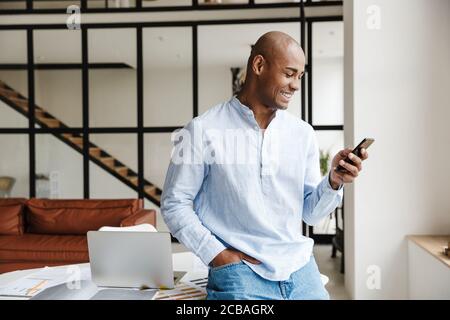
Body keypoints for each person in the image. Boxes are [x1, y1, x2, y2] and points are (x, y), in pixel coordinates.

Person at [161, 31, 369, 300]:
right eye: (289, 73)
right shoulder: (203, 130)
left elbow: (311, 214)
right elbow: (174, 203)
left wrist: (334, 182)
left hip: (301, 270)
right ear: (258, 66)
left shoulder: (302, 133)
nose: (295, 85)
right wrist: (218, 255)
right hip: (240, 274)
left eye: (300, 77)